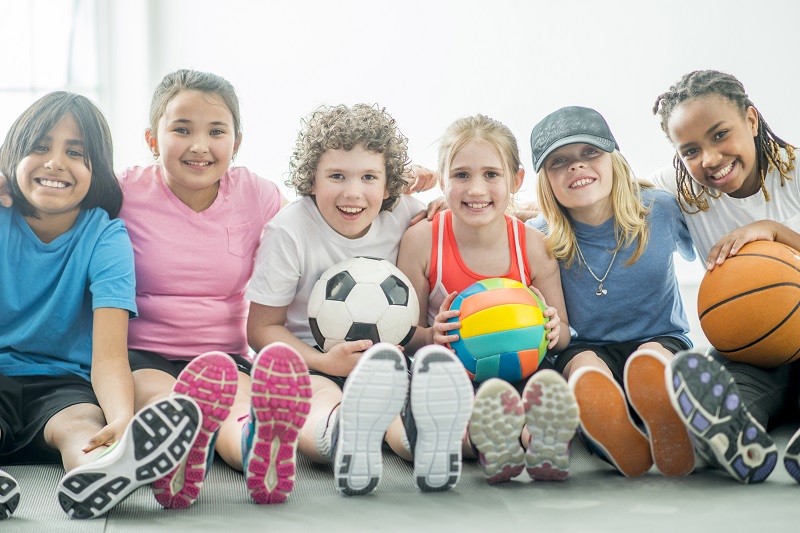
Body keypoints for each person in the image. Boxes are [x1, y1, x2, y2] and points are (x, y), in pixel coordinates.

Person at [245, 103, 469, 495]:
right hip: (312, 358)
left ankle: (421, 443)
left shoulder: (403, 215)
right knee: (319, 397)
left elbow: (402, 322)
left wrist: (445, 207)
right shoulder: (289, 231)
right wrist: (322, 361)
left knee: (398, 402)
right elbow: (261, 328)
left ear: (388, 186)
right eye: (336, 176)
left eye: (369, 177)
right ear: (311, 180)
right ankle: (339, 434)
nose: (353, 192)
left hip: (387, 361)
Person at [0, 91, 201, 519]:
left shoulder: (106, 237)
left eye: (76, 152)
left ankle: (99, 474)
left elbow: (110, 356)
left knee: (81, 428)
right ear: (12, 154)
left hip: (63, 384)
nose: (55, 162)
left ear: (97, 169)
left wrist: (121, 418)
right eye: (40, 147)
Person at [397, 114, 578, 485]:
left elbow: (562, 337)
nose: (476, 189)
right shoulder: (422, 240)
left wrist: (554, 328)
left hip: (521, 370)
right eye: (461, 175)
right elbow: (407, 333)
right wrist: (431, 335)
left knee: (544, 384)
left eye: (491, 175)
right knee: (430, 390)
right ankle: (489, 439)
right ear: (442, 180)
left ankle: (539, 441)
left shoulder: (532, 245)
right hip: (456, 372)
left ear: (516, 180)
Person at [528, 106, 697, 478]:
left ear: (615, 160)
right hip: (585, 345)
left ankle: (667, 419)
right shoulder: (538, 237)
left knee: (652, 360)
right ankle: (617, 437)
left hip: (660, 337)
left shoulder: (661, 210)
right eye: (559, 162)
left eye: (590, 153)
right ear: (546, 181)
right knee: (585, 372)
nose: (576, 166)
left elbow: (711, 244)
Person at [651, 69, 800, 484]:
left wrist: (776, 231)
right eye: (691, 150)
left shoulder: (796, 170)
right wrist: (502, 208)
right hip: (754, 345)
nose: (710, 158)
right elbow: (607, 192)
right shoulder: (684, 191)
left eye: (720, 135)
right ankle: (732, 439)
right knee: (729, 387)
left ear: (751, 121)